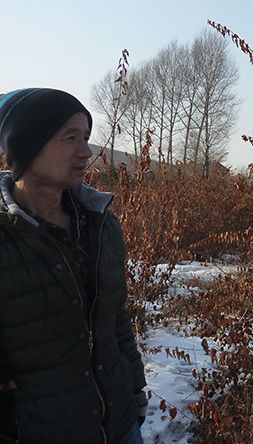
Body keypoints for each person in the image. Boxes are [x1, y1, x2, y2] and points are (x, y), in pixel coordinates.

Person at [0, 88, 147, 443]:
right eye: (70, 138)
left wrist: (136, 388)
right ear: (27, 147)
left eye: (86, 137)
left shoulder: (100, 222)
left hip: (121, 423)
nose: (86, 151)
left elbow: (115, 316)